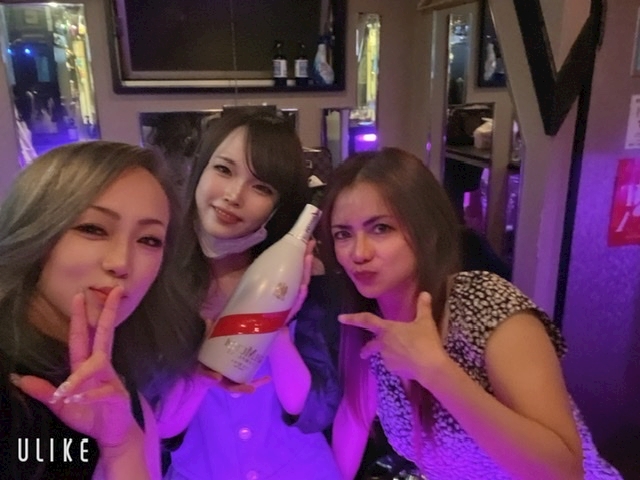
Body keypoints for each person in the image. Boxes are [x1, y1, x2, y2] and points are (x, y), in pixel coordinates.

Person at [320, 148, 622, 480]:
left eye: (381, 228)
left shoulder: (484, 304)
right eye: (343, 234)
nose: (359, 252)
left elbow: (563, 472)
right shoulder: (371, 322)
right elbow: (355, 416)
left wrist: (437, 371)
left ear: (428, 232)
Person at [0, 141, 204, 479]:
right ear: (36, 229)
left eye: (149, 240)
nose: (121, 262)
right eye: (93, 229)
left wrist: (123, 448)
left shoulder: (119, 391)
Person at [162, 108, 342, 479]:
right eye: (223, 169)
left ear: (279, 205)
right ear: (200, 169)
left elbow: (312, 412)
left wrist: (278, 330)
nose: (233, 195)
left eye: (262, 188)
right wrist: (200, 377)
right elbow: (161, 428)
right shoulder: (159, 279)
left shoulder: (302, 277)